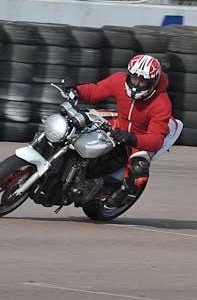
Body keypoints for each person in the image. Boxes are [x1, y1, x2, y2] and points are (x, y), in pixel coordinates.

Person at [65, 54, 173, 208]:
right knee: (79, 123)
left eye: (143, 81)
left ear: (153, 82)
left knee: (139, 166)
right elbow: (96, 90)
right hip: (119, 124)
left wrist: (132, 139)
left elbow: (156, 139)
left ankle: (123, 193)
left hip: (139, 137)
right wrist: (75, 90)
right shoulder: (118, 80)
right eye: (134, 78)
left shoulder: (161, 103)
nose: (136, 84)